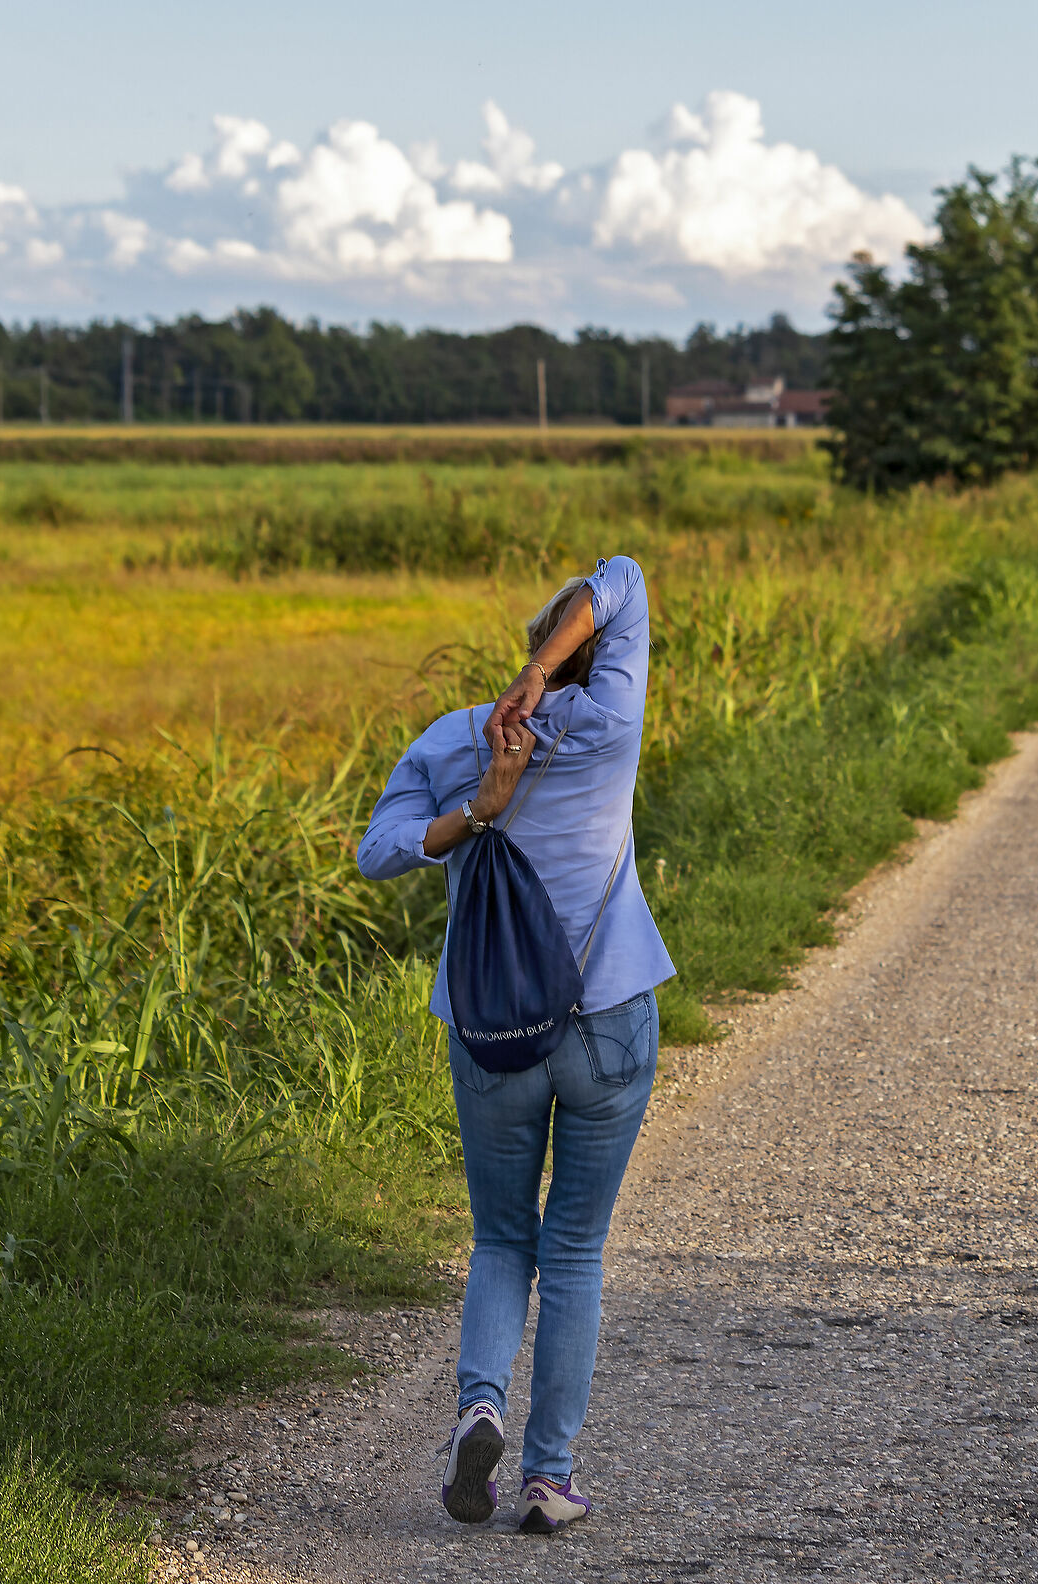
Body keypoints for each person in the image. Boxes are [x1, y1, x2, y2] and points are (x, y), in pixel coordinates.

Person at [356, 555, 673, 1535]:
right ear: (578, 651)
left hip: (494, 1030)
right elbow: (621, 578)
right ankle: (549, 1478)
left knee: (502, 1237)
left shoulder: (456, 743)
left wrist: (478, 810)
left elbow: (375, 854)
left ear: (529, 652)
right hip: (610, 1017)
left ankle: (479, 1407)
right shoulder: (607, 721)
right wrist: (546, 673)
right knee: (573, 1248)